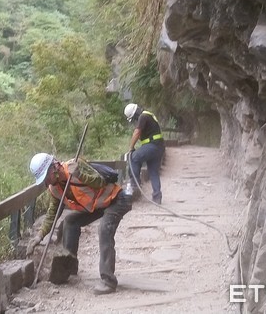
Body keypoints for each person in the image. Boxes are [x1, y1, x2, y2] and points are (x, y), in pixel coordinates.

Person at [26, 153, 132, 295]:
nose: (46, 182)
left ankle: (108, 281)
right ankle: (70, 268)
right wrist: (39, 236)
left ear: (54, 167)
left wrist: (80, 174)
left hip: (115, 200)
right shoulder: (55, 188)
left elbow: (100, 182)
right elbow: (53, 213)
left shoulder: (76, 166)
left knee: (104, 229)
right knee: (70, 221)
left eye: (46, 177)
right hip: (97, 206)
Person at [124, 103, 165, 204]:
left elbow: (137, 132)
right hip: (159, 147)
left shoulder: (143, 116)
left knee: (133, 158)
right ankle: (157, 197)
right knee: (153, 172)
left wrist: (131, 148)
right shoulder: (149, 115)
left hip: (152, 146)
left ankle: (134, 184)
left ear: (135, 114)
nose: (134, 121)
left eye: (133, 118)